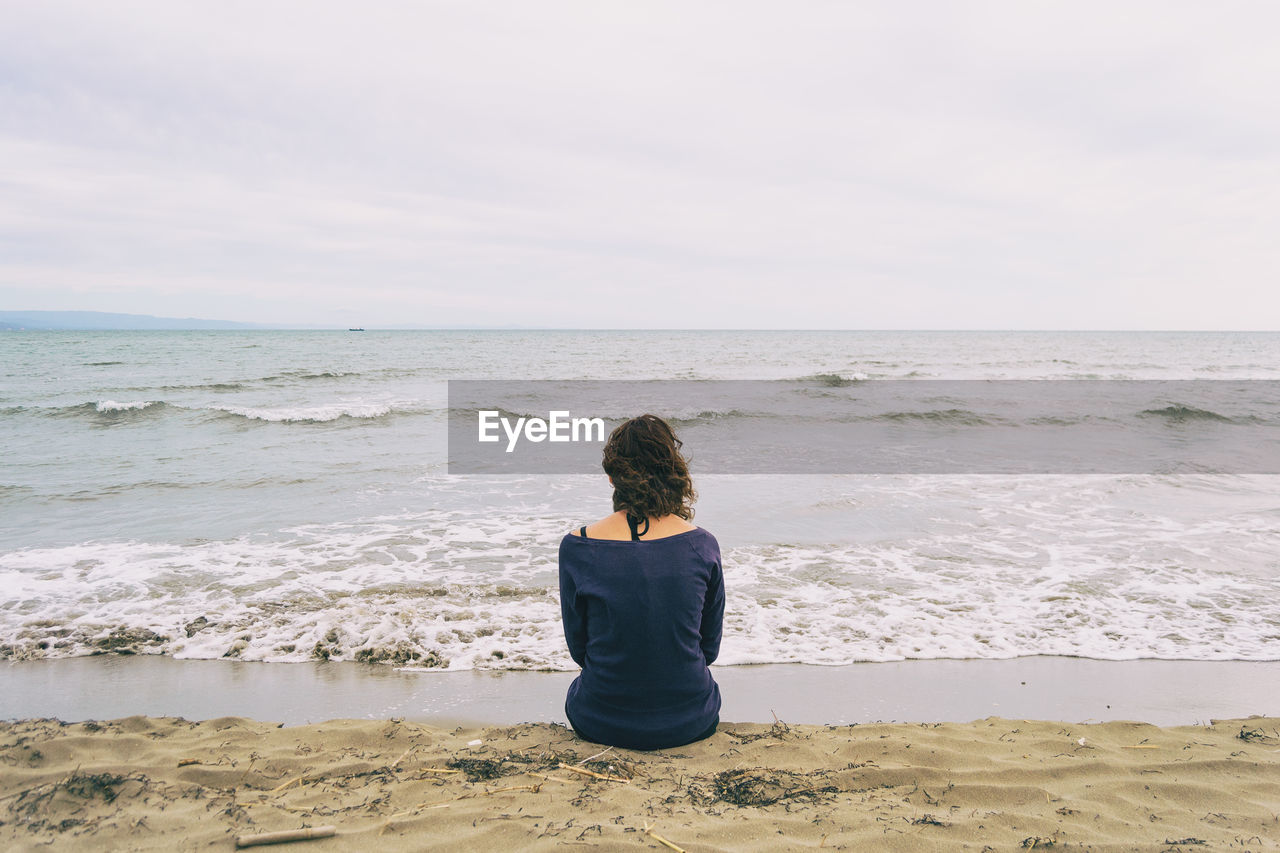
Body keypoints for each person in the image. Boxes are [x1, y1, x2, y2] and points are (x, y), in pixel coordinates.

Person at [558, 414, 724, 750]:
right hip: (690, 716)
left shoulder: (577, 546)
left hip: (600, 717)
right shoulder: (702, 544)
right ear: (674, 472)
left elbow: (579, 650)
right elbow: (708, 648)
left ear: (611, 477)